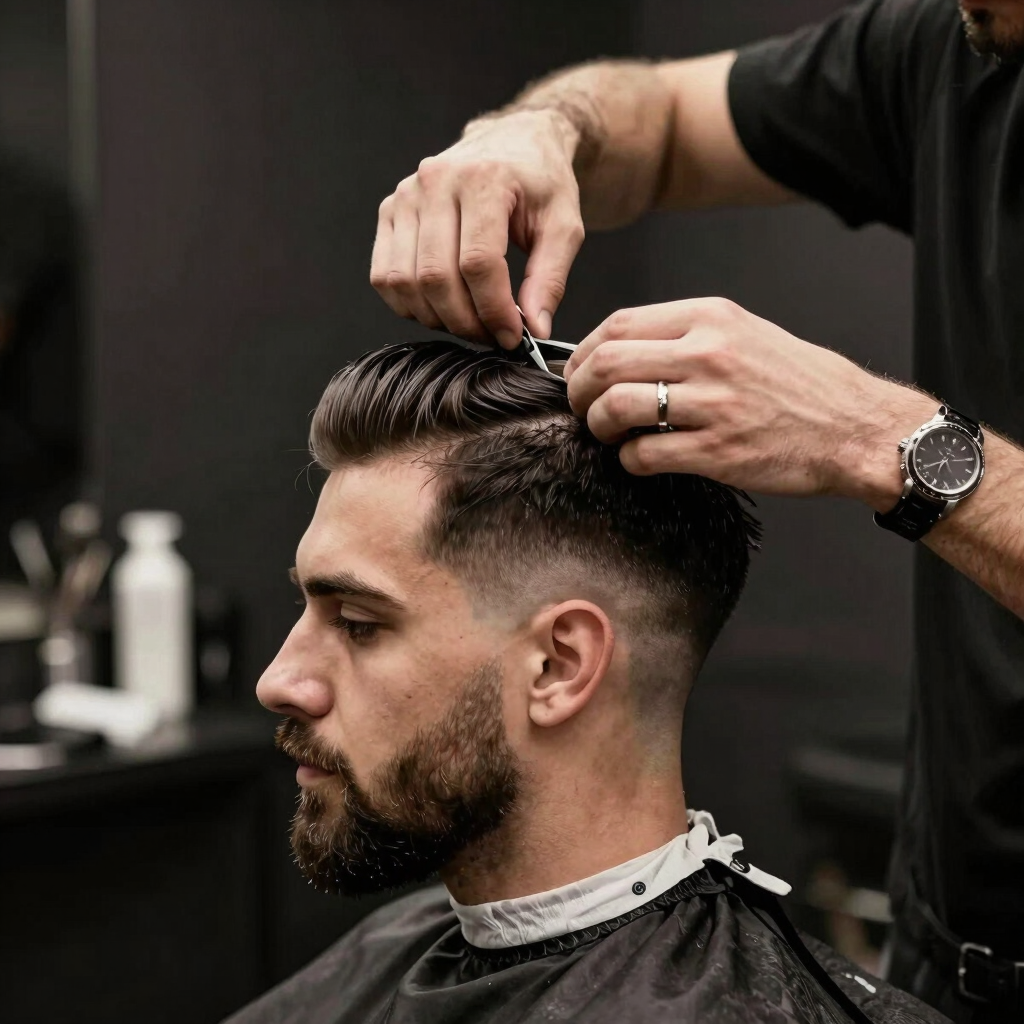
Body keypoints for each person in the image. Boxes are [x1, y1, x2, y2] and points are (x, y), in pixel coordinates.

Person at [368, 2, 1024, 1020]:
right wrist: (541, 132)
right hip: (954, 944)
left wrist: (874, 436)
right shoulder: (956, 41)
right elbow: (663, 120)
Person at [229, 340, 948, 1024]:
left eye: (357, 622)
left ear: (558, 666)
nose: (279, 682)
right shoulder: (406, 940)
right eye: (308, 608)